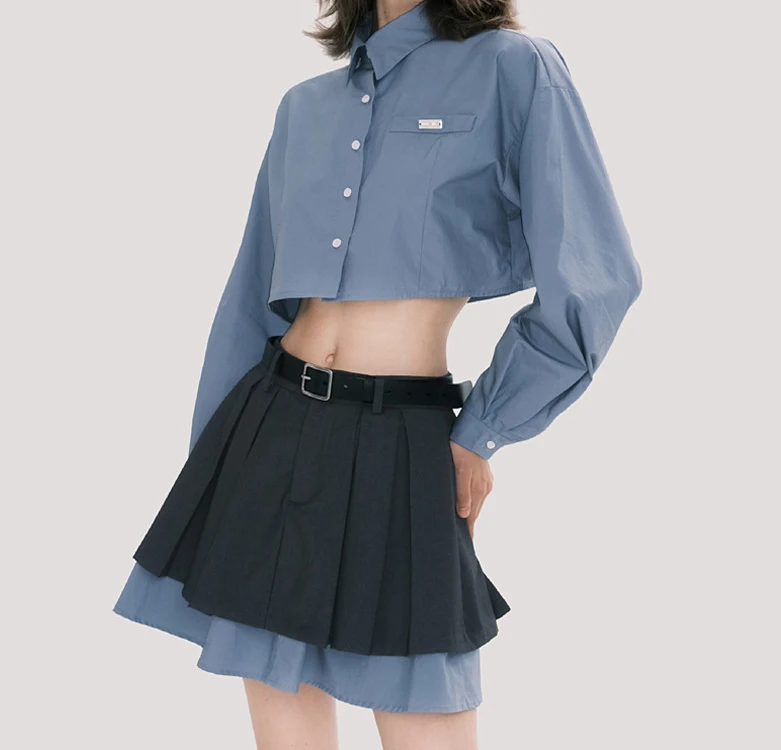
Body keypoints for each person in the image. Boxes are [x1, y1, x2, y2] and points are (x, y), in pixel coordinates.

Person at [112, 1, 643, 748]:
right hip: (267, 432)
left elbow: (594, 281)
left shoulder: (513, 68)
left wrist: (484, 431)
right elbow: (250, 299)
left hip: (405, 444)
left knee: (428, 714)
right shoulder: (304, 108)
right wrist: (210, 469)